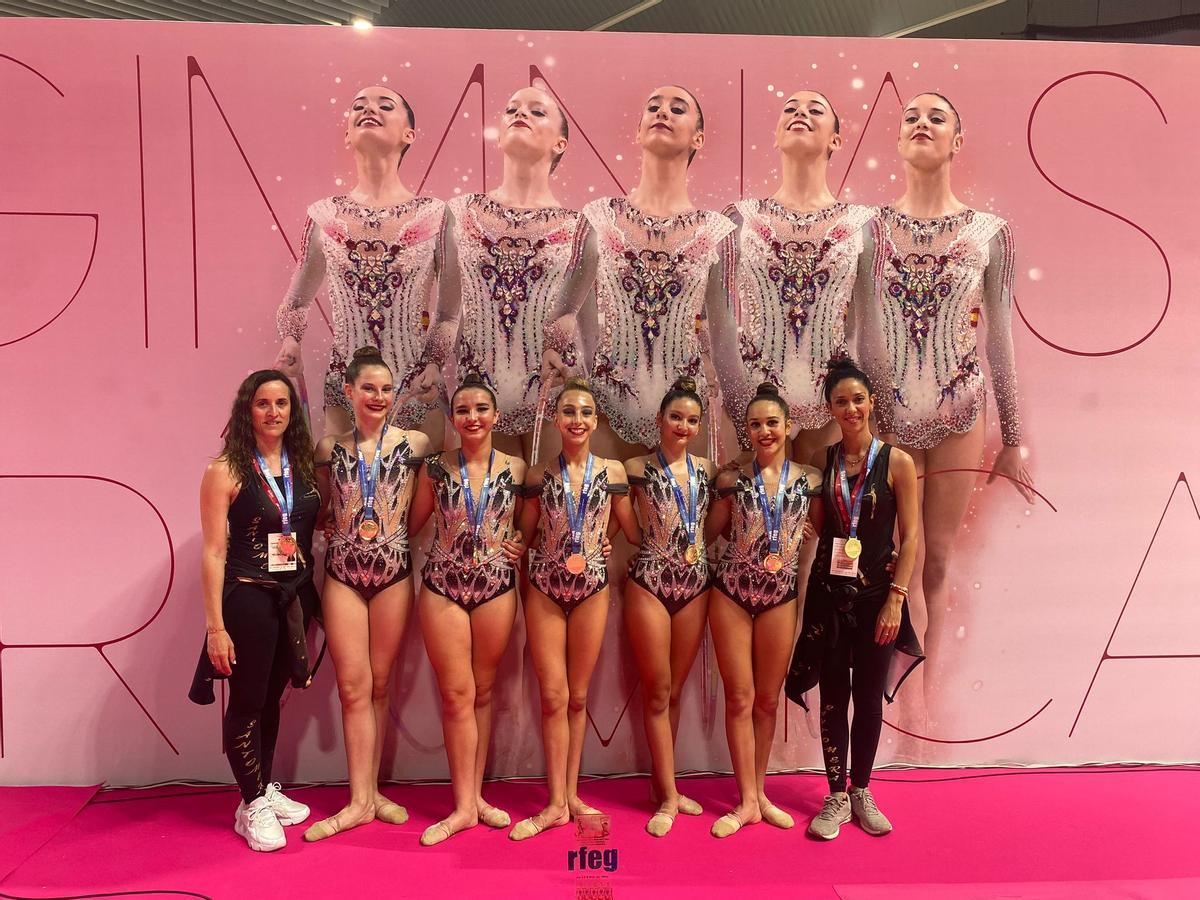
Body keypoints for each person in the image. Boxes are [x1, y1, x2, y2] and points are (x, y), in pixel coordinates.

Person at [859, 92, 1033, 703]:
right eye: (911, 116)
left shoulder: (990, 232)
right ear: (897, 139)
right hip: (888, 415)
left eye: (937, 118)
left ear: (957, 142)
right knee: (889, 561)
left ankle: (929, 701)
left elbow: (1000, 336)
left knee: (935, 561)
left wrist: (1012, 437)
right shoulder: (869, 229)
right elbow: (857, 329)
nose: (922, 124)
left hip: (960, 408)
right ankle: (888, 700)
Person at [544, 85, 734, 457]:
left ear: (698, 138)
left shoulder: (716, 231)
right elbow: (565, 309)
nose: (663, 112)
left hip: (687, 408)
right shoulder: (599, 217)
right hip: (607, 404)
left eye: (677, 109)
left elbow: (724, 337)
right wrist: (557, 351)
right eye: (653, 107)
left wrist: (741, 423)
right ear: (638, 131)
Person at [787, 357, 922, 839]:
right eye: (841, 401)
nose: (851, 409)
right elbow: (820, 526)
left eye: (858, 400)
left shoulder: (897, 462)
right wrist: (798, 525)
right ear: (830, 408)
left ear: (872, 402)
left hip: (877, 600)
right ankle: (836, 796)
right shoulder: (822, 461)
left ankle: (862, 789)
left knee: (867, 698)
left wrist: (896, 599)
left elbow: (911, 538)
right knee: (833, 698)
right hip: (829, 596)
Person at [304, 346, 434, 841]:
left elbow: (419, 513)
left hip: (393, 575)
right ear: (349, 391)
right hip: (342, 576)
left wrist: (390, 540)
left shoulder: (416, 443)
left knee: (380, 686)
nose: (378, 397)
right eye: (368, 389)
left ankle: (372, 793)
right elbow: (320, 509)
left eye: (385, 389)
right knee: (353, 687)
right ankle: (358, 800)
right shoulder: (328, 448)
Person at [273, 85, 447, 441]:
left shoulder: (435, 215)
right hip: (346, 388)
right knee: (346, 478)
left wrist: (434, 362)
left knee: (423, 478)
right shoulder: (325, 216)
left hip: (416, 386)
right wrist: (291, 341)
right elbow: (296, 302)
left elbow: (450, 312)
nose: (370, 109)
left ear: (409, 134)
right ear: (347, 133)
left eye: (385, 105)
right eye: (359, 106)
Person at [421, 87, 582, 460]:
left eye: (537, 111)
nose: (520, 113)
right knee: (487, 498)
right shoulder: (461, 213)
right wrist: (432, 362)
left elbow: (582, 321)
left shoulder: (578, 226)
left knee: (555, 497)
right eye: (511, 109)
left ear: (560, 144)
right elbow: (447, 314)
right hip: (480, 397)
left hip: (555, 393)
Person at [195, 370, 319, 851]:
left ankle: (262, 789)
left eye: (281, 403)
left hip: (292, 598)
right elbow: (213, 553)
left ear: (292, 411)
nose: (273, 412)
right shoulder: (224, 470)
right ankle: (250, 806)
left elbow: (307, 522)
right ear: (247, 410)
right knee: (247, 701)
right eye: (262, 403)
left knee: (271, 699)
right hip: (247, 598)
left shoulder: (300, 464)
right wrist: (215, 628)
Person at [510, 377, 637, 840]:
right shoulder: (538, 475)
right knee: (553, 698)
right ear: (556, 419)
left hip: (592, 590)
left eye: (585, 412)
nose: (577, 420)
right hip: (545, 589)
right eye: (568, 412)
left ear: (596, 420)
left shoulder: (613, 471)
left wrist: (605, 539)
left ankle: (570, 794)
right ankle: (554, 803)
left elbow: (632, 530)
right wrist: (513, 544)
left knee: (578, 698)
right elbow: (525, 535)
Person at [719, 89, 873, 462]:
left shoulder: (862, 224)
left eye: (815, 109)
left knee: (829, 500)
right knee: (754, 499)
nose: (800, 112)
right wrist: (733, 394)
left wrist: (876, 412)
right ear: (776, 136)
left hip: (830, 397)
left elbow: (868, 326)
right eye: (790, 108)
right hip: (753, 393)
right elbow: (716, 319)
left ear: (836, 140)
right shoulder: (739, 218)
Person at [406, 373, 527, 845]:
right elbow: (410, 524)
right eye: (462, 410)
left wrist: (519, 542)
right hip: (443, 586)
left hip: (496, 587)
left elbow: (528, 528)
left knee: (483, 692)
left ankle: (476, 798)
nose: (472, 417)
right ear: (453, 419)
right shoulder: (436, 468)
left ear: (496, 416)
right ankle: (461, 807)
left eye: (480, 409)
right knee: (457, 695)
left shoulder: (517, 469)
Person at [704, 382, 821, 838]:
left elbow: (830, 533)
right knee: (740, 698)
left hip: (780, 597)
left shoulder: (810, 481)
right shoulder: (732, 480)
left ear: (788, 427)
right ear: (747, 431)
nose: (765, 431)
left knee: (768, 700)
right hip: (731, 593)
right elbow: (710, 533)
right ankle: (746, 800)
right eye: (755, 425)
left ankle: (759, 794)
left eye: (772, 423)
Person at [622, 377, 716, 837]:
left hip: (695, 585)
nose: (683, 426)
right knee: (658, 692)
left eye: (692, 420)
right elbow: (620, 521)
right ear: (659, 420)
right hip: (650, 584)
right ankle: (669, 796)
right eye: (675, 417)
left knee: (675, 692)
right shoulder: (634, 468)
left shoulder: (710, 471)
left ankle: (664, 787)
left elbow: (717, 523)